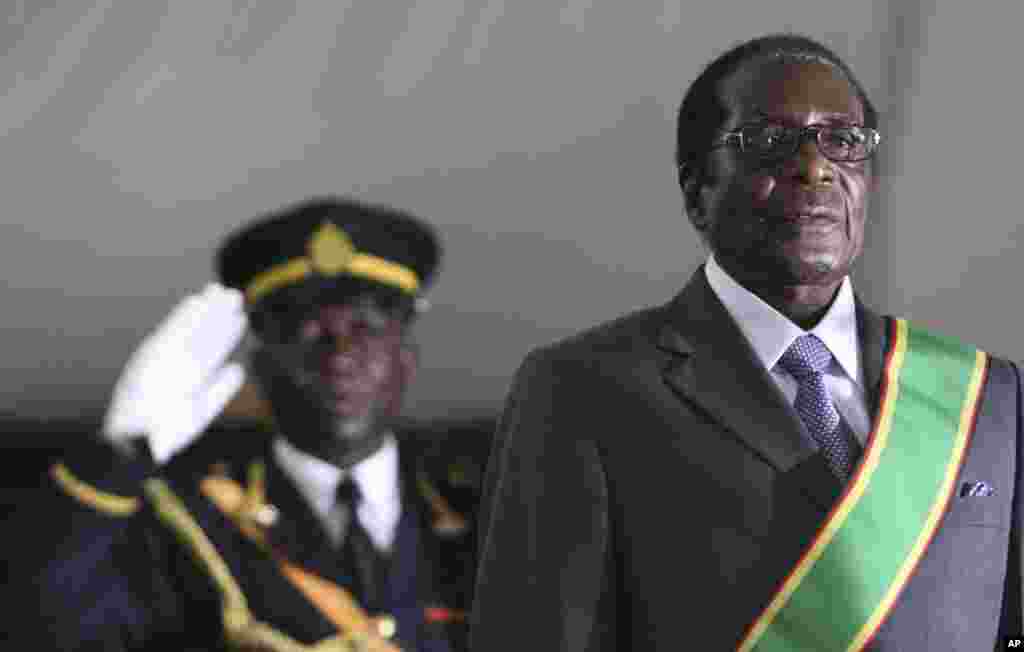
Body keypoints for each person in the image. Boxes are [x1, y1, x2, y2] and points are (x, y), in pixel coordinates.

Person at [469, 34, 1023, 651]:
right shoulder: (585, 388)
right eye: (768, 141)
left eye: (842, 140)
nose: (814, 166)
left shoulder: (984, 391)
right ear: (696, 190)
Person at [7, 197, 481, 651]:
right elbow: (42, 628)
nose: (340, 357)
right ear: (261, 366)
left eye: (366, 329)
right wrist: (117, 456)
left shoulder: (481, 501)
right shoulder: (187, 516)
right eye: (309, 333)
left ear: (408, 357)